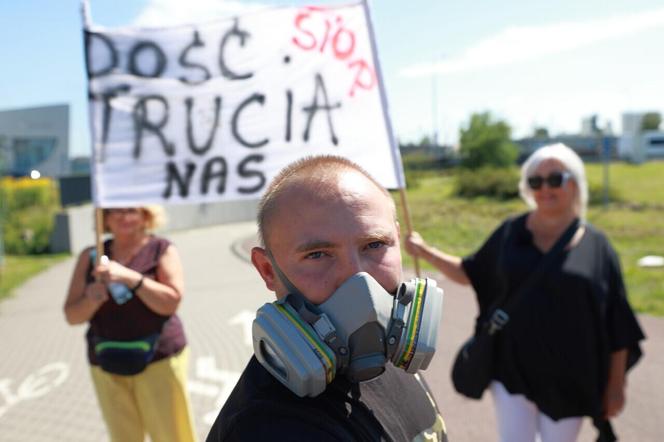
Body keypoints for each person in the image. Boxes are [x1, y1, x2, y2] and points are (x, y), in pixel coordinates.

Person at [405, 143, 645, 442]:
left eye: (555, 178)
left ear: (576, 183)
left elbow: (617, 322)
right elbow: (471, 271)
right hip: (511, 370)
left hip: (571, 378)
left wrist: (615, 385)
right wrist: (425, 251)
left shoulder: (598, 247)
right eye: (535, 180)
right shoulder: (510, 232)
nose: (544, 188)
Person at [207, 156, 447, 441]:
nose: (358, 279)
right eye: (317, 254)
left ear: (397, 239)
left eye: (374, 244)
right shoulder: (272, 427)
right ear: (268, 270)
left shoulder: (395, 352)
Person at [64, 206, 197, 442]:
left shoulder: (160, 249)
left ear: (145, 215)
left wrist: (130, 277)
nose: (124, 217)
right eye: (116, 211)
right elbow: (72, 316)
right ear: (104, 217)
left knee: (172, 436)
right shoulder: (91, 255)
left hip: (159, 360)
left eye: (131, 210)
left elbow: (171, 302)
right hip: (106, 364)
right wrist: (91, 299)